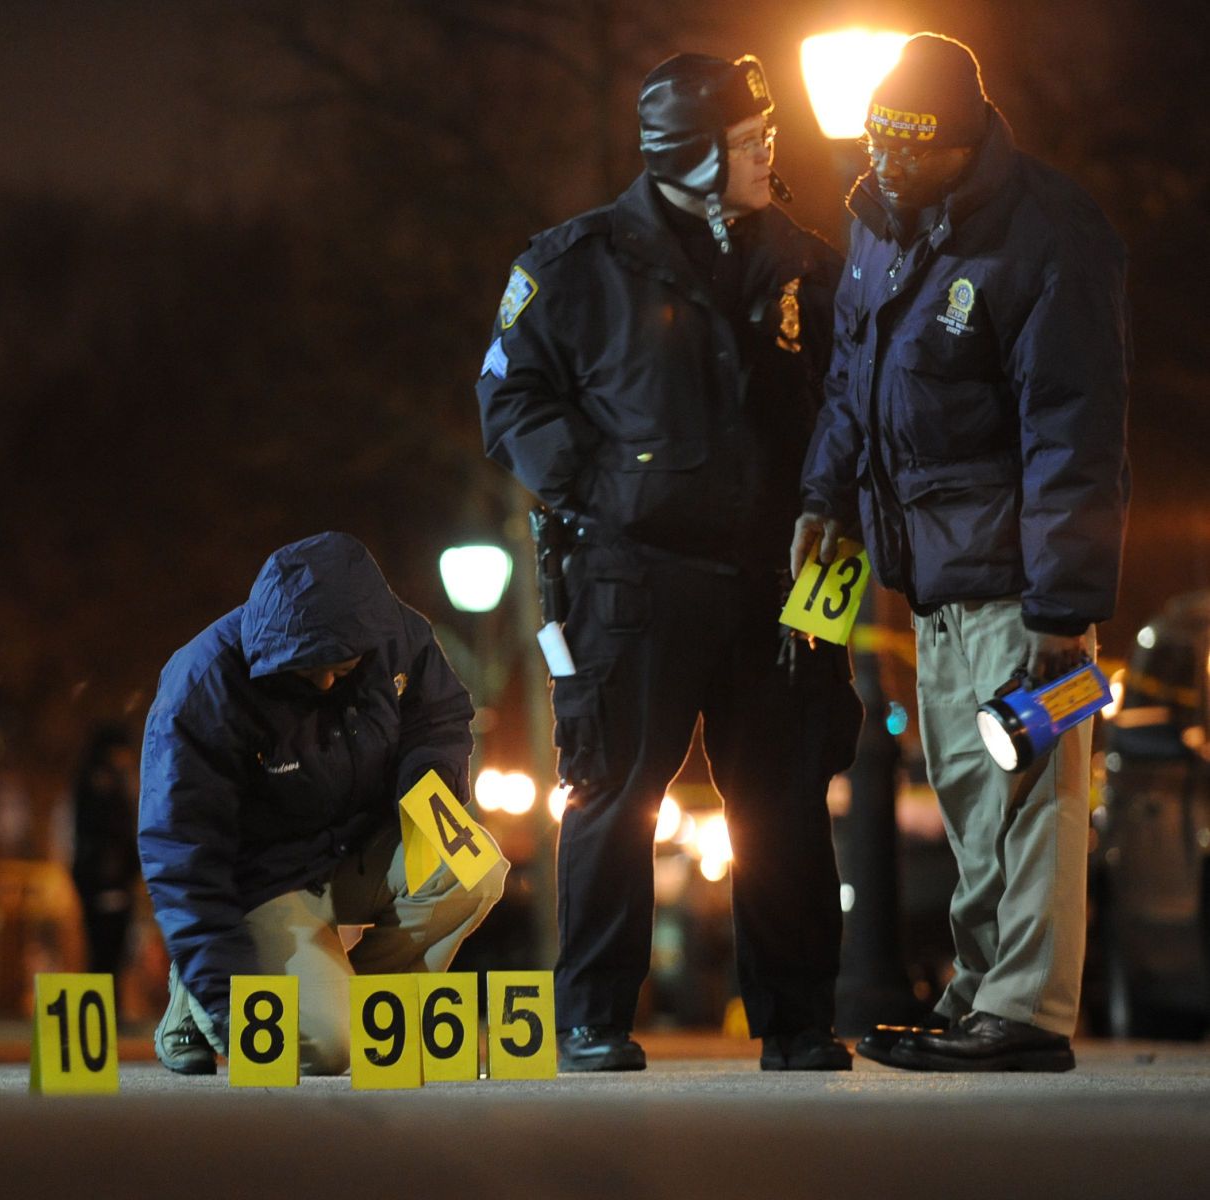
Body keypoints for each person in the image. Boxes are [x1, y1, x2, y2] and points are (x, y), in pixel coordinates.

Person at [476, 52, 862, 1072]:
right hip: (632, 579)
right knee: (613, 796)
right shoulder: (572, 263)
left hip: (778, 583)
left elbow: (853, 407)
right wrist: (599, 492)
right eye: (744, 142)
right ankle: (594, 1021)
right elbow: (508, 398)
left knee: (782, 802)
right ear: (687, 152)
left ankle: (796, 1023)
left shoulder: (809, 264)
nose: (763, 154)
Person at [794, 34, 1130, 1072]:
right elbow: (853, 385)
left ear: (962, 142)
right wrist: (825, 501)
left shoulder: (1045, 234)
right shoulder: (881, 229)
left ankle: (1024, 1010)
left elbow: (1071, 431)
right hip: (932, 577)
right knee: (972, 796)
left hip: (1013, 582)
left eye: (909, 146)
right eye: (877, 142)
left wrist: (1059, 610)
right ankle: (984, 991)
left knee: (1030, 798)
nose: (883, 163)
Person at [139, 531, 507, 1076]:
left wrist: (426, 785)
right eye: (313, 668)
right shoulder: (202, 688)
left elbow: (439, 722)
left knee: (476, 868)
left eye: (345, 664)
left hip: (354, 848)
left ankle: (372, 1013)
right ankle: (187, 1000)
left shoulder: (399, 636)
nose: (331, 679)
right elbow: (184, 857)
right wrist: (221, 999)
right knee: (328, 1050)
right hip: (266, 881)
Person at [72, 723, 141, 980]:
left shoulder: (105, 782)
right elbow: (112, 831)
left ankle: (108, 1002)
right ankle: (107, 1003)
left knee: (109, 948)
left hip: (107, 877)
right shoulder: (102, 785)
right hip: (104, 877)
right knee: (106, 945)